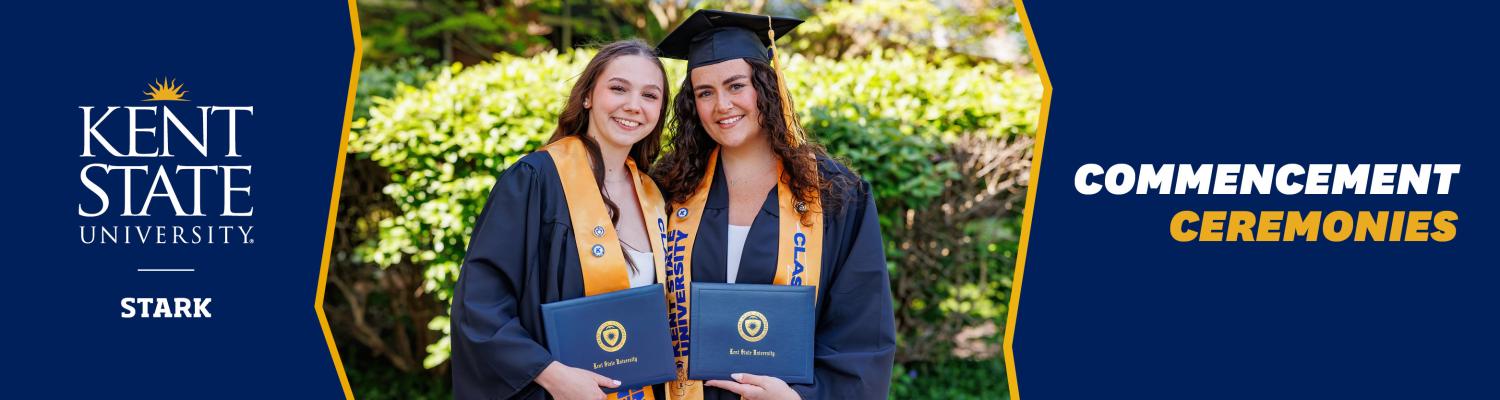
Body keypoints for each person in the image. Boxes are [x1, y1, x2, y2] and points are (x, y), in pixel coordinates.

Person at [652, 10, 896, 400]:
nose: (722, 106)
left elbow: (862, 328)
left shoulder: (834, 193)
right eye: (705, 93)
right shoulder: (669, 189)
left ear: (766, 85)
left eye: (736, 86)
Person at [451, 39, 672, 400]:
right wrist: (552, 376)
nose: (634, 106)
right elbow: (479, 305)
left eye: (650, 95)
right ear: (587, 96)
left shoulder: (655, 194)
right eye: (618, 88)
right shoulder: (535, 180)